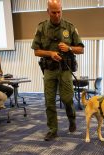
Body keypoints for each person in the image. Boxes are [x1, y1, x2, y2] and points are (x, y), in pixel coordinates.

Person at [31, 0, 84, 141]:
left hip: (65, 70)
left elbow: (81, 49)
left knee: (67, 99)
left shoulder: (70, 27)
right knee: (49, 101)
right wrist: (50, 54)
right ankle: (53, 130)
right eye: (54, 12)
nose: (57, 15)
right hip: (49, 70)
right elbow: (36, 51)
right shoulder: (41, 28)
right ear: (48, 11)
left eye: (59, 11)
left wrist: (69, 48)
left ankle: (72, 120)